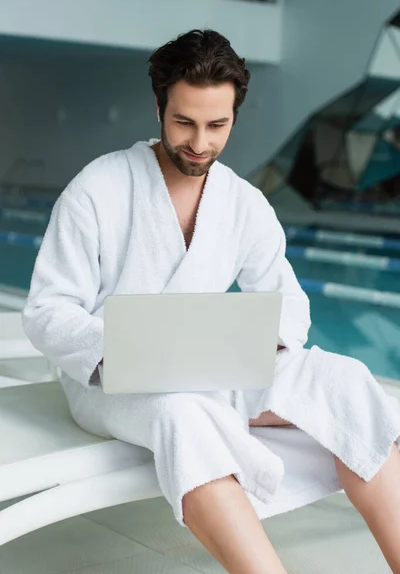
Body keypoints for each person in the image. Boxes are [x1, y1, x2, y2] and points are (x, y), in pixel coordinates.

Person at [22, 29, 400, 574]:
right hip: (114, 380)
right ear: (158, 107)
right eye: (184, 122)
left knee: (343, 380)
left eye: (217, 125)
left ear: (234, 117)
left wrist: (260, 342)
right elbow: (47, 310)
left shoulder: (242, 202)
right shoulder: (98, 188)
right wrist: (119, 349)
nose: (200, 142)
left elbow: (286, 299)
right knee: (183, 412)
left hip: (217, 369)